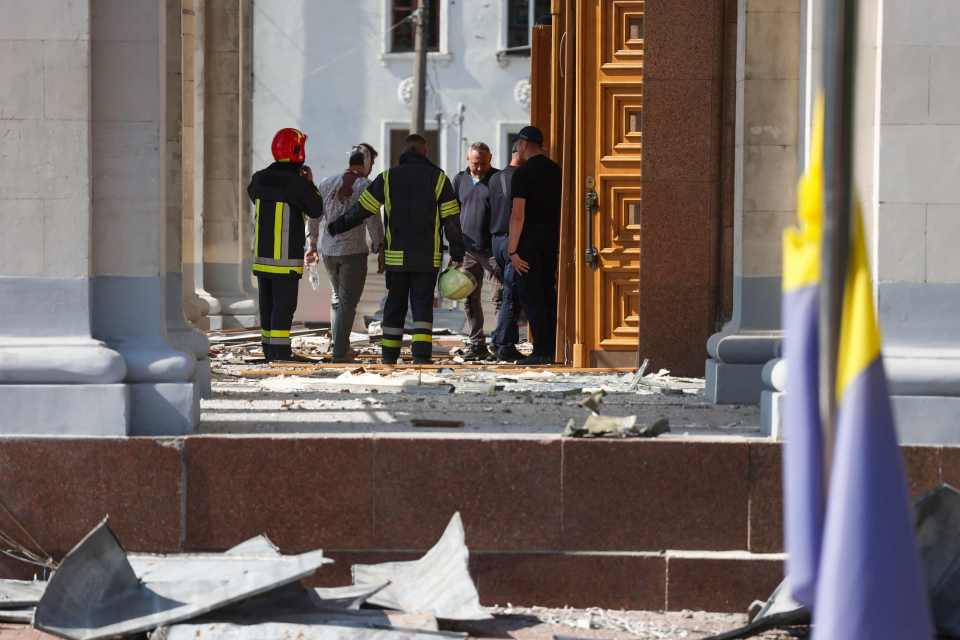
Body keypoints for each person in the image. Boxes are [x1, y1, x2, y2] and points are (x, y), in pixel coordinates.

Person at [327, 134, 465, 365]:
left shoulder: (388, 178)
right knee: (422, 307)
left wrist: (336, 226)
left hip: (396, 258)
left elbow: (363, 209)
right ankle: (421, 357)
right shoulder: (439, 179)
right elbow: (451, 219)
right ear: (425, 152)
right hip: (427, 257)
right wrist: (458, 253)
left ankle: (389, 356)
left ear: (404, 152)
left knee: (395, 306)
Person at [247, 127, 325, 362]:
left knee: (268, 307)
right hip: (285, 261)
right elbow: (316, 209)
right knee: (283, 307)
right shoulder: (297, 183)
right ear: (297, 151)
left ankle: (269, 351)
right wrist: (309, 184)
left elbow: (254, 194)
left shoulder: (259, 179)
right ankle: (280, 353)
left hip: (263, 260)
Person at [306, 143, 385, 363]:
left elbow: (313, 216)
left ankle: (339, 344)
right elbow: (372, 218)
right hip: (353, 252)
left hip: (329, 251)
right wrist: (379, 246)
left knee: (337, 299)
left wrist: (312, 243)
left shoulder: (327, 182)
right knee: (348, 302)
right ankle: (340, 352)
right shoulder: (365, 185)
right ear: (367, 163)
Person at [507, 126, 561, 366]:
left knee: (532, 298)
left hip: (527, 246)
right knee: (548, 296)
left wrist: (512, 250)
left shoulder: (523, 174)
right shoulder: (556, 171)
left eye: (518, 143)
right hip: (551, 242)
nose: (517, 148)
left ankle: (541, 351)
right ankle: (551, 348)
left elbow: (518, 215)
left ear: (524, 143)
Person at [451, 142, 499, 361]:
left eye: (484, 163)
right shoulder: (459, 180)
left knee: (500, 296)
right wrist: (454, 248)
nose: (479, 168)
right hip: (468, 250)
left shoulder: (497, 180)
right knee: (470, 298)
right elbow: (453, 213)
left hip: (492, 250)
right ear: (467, 160)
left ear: (491, 159)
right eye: (475, 163)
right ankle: (476, 342)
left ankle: (501, 344)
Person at [488, 140, 525, 362]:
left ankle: (499, 338)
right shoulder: (523, 177)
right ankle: (503, 344)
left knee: (508, 294)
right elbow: (519, 214)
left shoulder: (495, 178)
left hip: (496, 241)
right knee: (512, 296)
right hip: (514, 242)